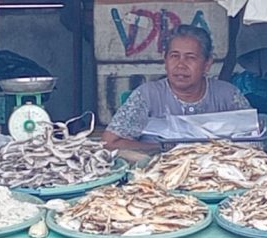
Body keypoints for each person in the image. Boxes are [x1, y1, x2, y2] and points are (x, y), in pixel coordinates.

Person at [102, 25, 252, 151]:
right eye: (174, 56)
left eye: (191, 57)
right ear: (165, 60)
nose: (181, 65)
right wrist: (162, 148)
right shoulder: (147, 95)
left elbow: (253, 141)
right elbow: (109, 142)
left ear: (207, 63)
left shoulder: (227, 95)